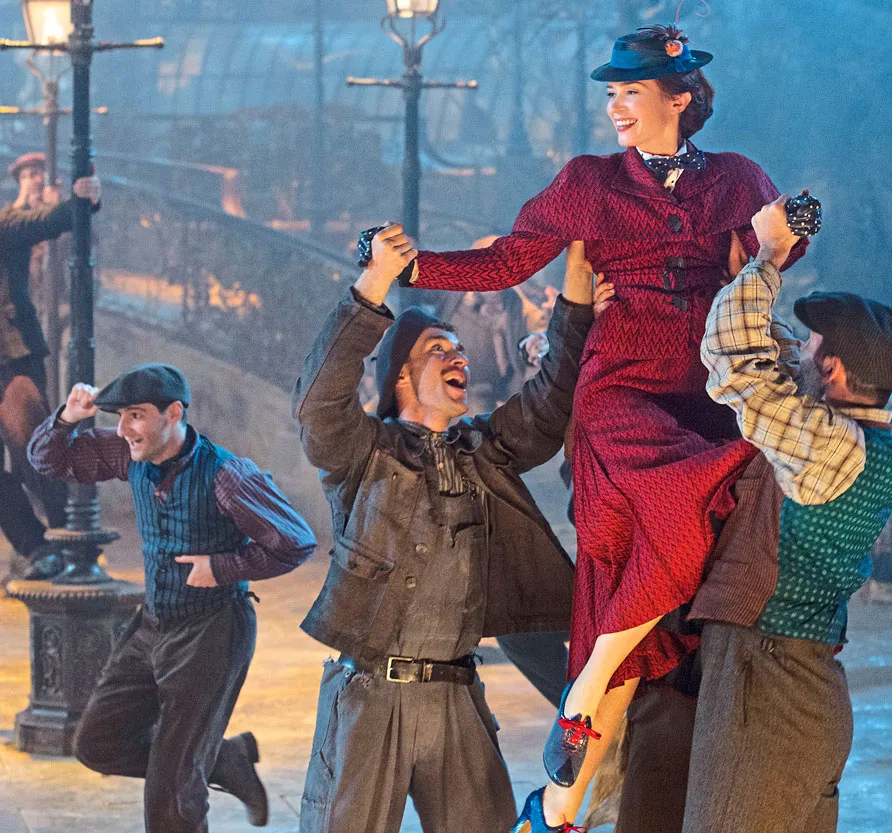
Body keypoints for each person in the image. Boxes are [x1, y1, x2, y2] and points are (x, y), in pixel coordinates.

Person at [402, 24, 810, 830]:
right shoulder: (588, 182)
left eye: (633, 91)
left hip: (704, 394)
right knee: (682, 501)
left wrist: (790, 230)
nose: (618, 107)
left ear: (681, 97)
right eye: (613, 93)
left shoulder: (734, 176)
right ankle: (588, 687)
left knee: (679, 550)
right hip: (618, 391)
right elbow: (511, 259)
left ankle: (556, 807)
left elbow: (767, 253)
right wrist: (412, 266)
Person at [291, 225, 611, 833]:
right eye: (440, 349)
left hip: (456, 693)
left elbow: (548, 401)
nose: (459, 357)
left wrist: (576, 282)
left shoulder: (483, 453)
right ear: (402, 381)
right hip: (370, 696)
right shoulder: (364, 453)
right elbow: (317, 403)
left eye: (458, 348)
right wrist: (373, 283)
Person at [679, 196, 892, 832]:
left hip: (768, 679)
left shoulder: (828, 442)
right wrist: (751, 279)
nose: (803, 349)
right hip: (804, 689)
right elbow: (780, 364)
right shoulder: (862, 441)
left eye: (815, 346)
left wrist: (769, 258)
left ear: (834, 368)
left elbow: (738, 368)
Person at [27, 363, 317, 833]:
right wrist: (67, 419)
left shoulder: (227, 475)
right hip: (153, 625)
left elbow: (295, 540)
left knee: (171, 795)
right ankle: (224, 759)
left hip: (212, 630)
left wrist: (222, 567)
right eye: (120, 416)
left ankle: (197, 767)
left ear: (173, 413)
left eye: (136, 416)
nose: (124, 429)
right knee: (96, 744)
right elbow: (50, 463)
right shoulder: (130, 455)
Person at [1, 153, 101, 582]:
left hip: (12, 355)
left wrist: (82, 203)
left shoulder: (4, 222)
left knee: (32, 449)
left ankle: (66, 539)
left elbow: (41, 223)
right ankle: (37, 547)